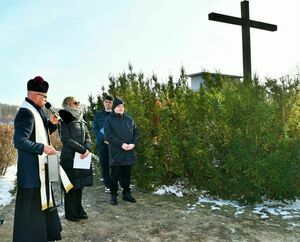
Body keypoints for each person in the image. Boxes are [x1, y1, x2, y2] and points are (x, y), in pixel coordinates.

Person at [13, 76, 62, 242]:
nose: (46, 101)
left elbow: (38, 134)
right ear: (35, 95)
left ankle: (43, 235)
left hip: (40, 169)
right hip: (31, 172)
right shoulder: (25, 112)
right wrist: (43, 148)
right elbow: (19, 141)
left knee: (42, 204)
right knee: (31, 209)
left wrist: (52, 124)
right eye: (45, 97)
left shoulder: (37, 110)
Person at [59, 96, 93, 222]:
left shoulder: (81, 117)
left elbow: (88, 135)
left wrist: (88, 148)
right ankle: (71, 213)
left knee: (80, 185)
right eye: (75, 102)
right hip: (70, 157)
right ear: (68, 104)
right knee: (71, 186)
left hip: (82, 157)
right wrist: (82, 150)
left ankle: (79, 209)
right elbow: (66, 139)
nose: (78, 104)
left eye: (78, 102)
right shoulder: (64, 118)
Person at [104, 97, 139, 205]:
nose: (121, 108)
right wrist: (122, 144)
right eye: (119, 106)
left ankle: (126, 194)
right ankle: (113, 195)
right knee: (114, 175)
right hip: (116, 153)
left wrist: (133, 144)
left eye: (122, 106)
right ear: (114, 108)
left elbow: (136, 133)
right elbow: (109, 136)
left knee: (126, 175)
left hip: (129, 152)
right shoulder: (108, 120)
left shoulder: (129, 119)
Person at [92, 95, 113, 191]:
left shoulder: (115, 114)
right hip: (102, 144)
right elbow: (95, 129)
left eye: (110, 102)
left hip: (114, 144)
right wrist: (103, 139)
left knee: (114, 164)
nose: (108, 104)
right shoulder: (98, 115)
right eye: (107, 102)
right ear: (104, 103)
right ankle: (108, 185)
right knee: (104, 165)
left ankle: (115, 183)